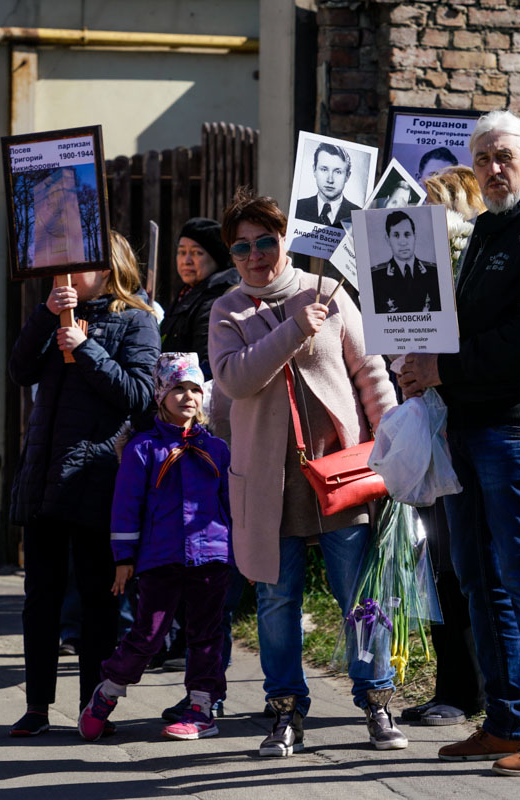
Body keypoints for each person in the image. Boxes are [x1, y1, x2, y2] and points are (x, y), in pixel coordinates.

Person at [398, 109, 520, 776]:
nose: (491, 168)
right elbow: (458, 323)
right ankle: (508, 723)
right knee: (480, 579)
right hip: (466, 424)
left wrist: (443, 368)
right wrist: (415, 349)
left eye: (504, 155)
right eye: (481, 157)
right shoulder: (484, 230)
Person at [208, 188, 403, 757]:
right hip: (268, 485)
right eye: (241, 247)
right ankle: (286, 712)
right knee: (276, 602)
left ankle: (377, 700)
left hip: (341, 476)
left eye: (266, 241)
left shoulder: (327, 292)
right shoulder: (227, 311)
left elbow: (371, 376)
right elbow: (237, 381)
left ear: (285, 240)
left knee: (359, 596)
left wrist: (392, 447)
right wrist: (293, 328)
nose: (255, 255)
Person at [8, 231, 161, 737]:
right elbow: (19, 368)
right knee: (41, 599)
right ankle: (36, 706)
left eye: (75, 267)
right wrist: (44, 315)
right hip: (45, 475)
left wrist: (88, 347)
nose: (65, 278)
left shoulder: (137, 320)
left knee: (97, 601)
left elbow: (140, 396)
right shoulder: (54, 313)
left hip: (98, 478)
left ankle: (92, 708)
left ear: (108, 267)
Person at [78, 352, 232, 742]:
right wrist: (124, 559)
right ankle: (108, 691)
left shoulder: (217, 449)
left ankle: (201, 707)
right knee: (148, 633)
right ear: (160, 395)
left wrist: (239, 550)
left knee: (206, 634)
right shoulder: (142, 450)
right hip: (160, 558)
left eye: (195, 389)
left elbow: (231, 506)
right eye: (178, 388)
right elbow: (126, 508)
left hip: (212, 556)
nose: (188, 397)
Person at [396, 165, 489, 728]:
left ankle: (470, 689)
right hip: (428, 426)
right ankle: (450, 685)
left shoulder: (472, 268)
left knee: (462, 566)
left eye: (433, 207)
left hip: (468, 430)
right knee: (436, 566)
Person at [160, 218, 239, 379]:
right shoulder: (188, 293)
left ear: (216, 258)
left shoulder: (216, 301)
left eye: (197, 253)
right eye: (182, 252)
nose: (186, 261)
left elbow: (206, 364)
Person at [370, 210, 443, 314]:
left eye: (407, 234)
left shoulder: (435, 273)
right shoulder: (375, 277)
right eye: (396, 235)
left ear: (415, 236)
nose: (403, 242)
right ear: (388, 239)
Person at [294, 142, 361, 229]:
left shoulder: (359, 215)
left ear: (347, 176)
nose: (330, 180)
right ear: (314, 170)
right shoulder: (298, 207)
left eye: (338, 172)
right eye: (324, 169)